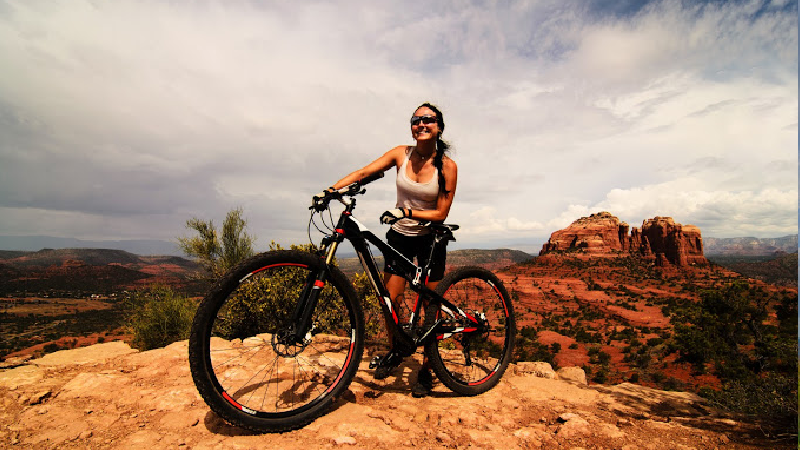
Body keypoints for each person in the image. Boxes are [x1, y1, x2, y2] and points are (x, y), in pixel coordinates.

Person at [326, 102, 457, 397]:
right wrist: (331, 191)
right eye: (416, 120)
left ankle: (426, 368)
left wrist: (407, 211)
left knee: (429, 307)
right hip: (400, 237)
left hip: (430, 239)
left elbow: (441, 213)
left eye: (428, 120)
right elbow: (365, 171)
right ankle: (397, 348)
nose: (421, 124)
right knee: (390, 300)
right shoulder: (401, 153)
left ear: (439, 127)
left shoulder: (447, 167)